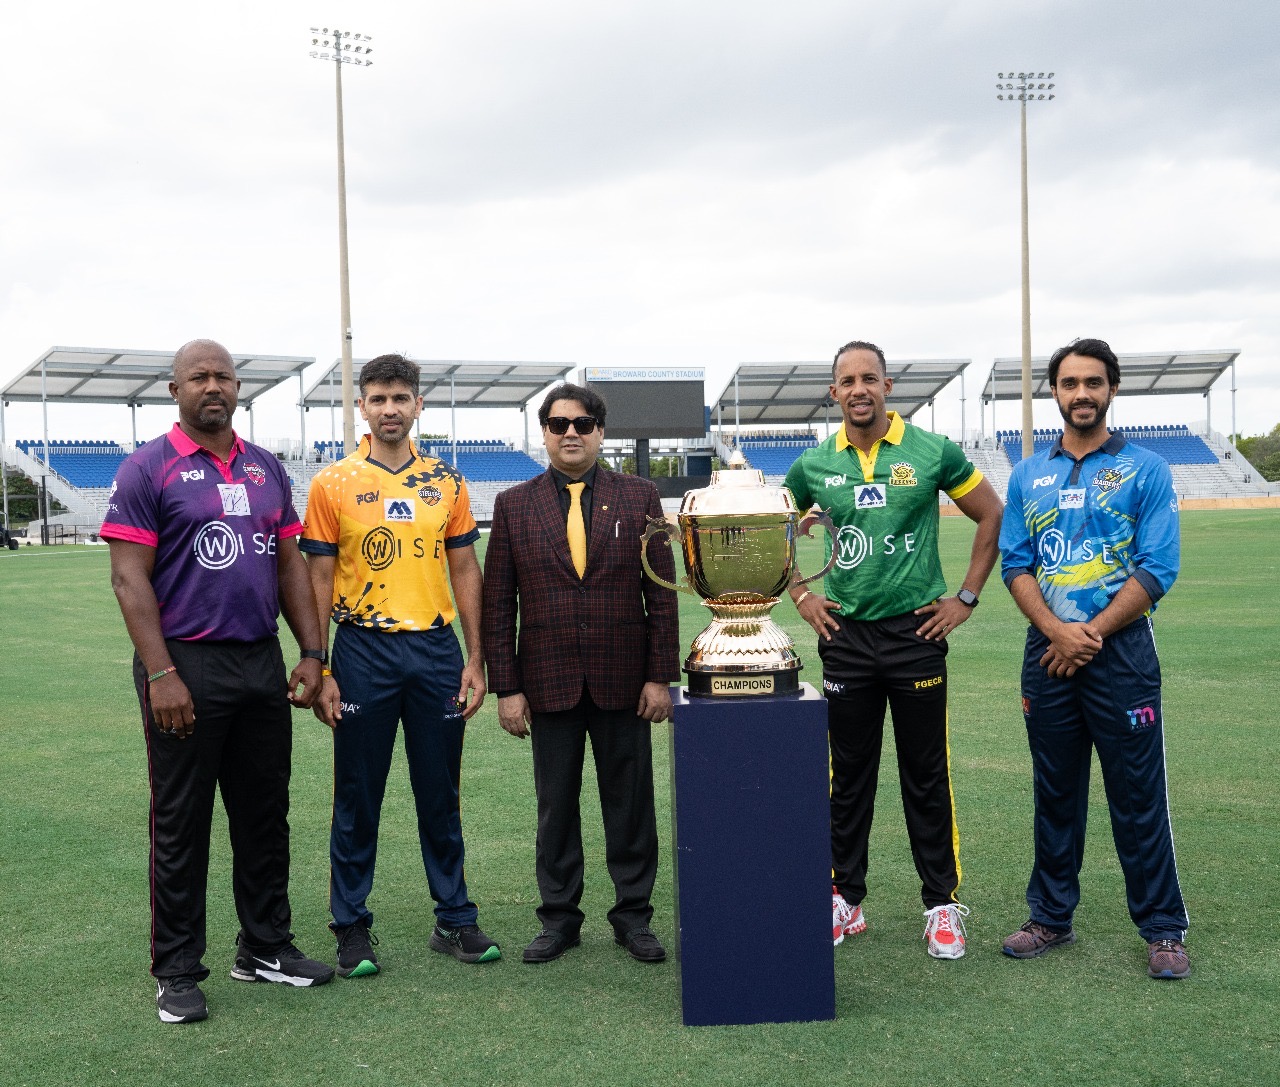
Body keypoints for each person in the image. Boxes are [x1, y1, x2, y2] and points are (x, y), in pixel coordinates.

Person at [103, 339, 334, 1025]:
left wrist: (312, 652)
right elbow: (127, 577)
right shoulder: (149, 466)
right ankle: (177, 968)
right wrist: (162, 671)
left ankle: (264, 946)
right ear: (174, 389)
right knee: (182, 820)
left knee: (265, 815)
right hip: (185, 662)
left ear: (238, 388)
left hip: (259, 659)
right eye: (198, 376)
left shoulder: (265, 468)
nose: (213, 385)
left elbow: (290, 565)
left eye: (223, 376)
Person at [784, 340, 1003, 958]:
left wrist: (964, 597)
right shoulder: (813, 464)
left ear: (887, 388)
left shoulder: (931, 450)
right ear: (834, 393)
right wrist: (803, 596)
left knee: (925, 773)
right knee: (848, 776)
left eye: (870, 378)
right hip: (846, 638)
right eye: (847, 380)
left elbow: (991, 513)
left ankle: (941, 906)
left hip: (916, 635)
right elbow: (773, 527)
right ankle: (845, 900)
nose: (859, 389)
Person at [300, 354, 498, 976]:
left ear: (418, 406)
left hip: (437, 653)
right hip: (363, 650)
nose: (390, 408)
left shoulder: (447, 480)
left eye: (401, 398)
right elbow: (319, 575)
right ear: (361, 406)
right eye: (378, 398)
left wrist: (477, 656)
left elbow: (465, 567)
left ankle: (455, 919)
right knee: (358, 792)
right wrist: (323, 666)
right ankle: (352, 927)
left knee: (441, 791)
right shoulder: (333, 483)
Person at [998, 337, 1189, 979]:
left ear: (1111, 390)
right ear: (1053, 391)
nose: (1082, 393)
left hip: (1122, 651)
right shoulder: (1028, 474)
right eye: (1070, 382)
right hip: (1047, 650)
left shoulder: (1146, 469)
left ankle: (1163, 929)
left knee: (1137, 794)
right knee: (1055, 790)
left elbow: (1158, 566)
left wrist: (1091, 633)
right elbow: (1017, 563)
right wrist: (1057, 630)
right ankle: (1050, 917)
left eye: (1094, 382)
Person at [482, 383, 680, 964]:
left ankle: (633, 917)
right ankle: (560, 919)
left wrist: (658, 676)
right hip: (547, 685)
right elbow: (500, 603)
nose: (572, 432)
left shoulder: (641, 497)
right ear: (543, 431)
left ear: (601, 432)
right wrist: (508, 688)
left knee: (631, 806)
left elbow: (661, 596)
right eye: (559, 422)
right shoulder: (514, 504)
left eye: (584, 423)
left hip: (625, 682)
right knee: (556, 808)